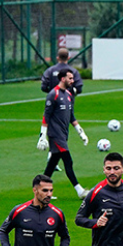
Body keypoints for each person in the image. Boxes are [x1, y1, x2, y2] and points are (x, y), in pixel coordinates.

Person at [37, 68, 89, 199]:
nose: (72, 81)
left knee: (52, 164)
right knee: (68, 161)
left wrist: (81, 132)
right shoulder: (53, 94)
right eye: (70, 78)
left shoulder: (69, 95)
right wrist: (42, 136)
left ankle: (40, 191)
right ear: (62, 79)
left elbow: (71, 116)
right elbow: (46, 116)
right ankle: (80, 190)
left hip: (64, 134)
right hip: (55, 135)